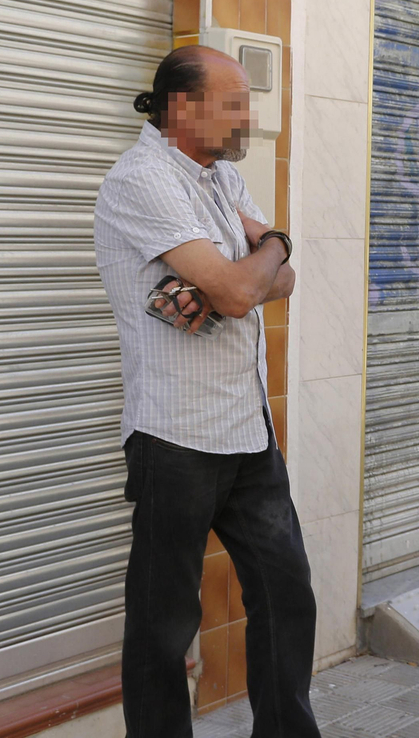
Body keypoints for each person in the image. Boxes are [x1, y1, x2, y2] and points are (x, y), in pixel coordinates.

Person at [93, 47, 315, 738]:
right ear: (182, 107)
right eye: (233, 102)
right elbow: (241, 287)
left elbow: (276, 281)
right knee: (163, 628)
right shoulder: (141, 180)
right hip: (175, 437)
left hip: (248, 433)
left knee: (287, 595)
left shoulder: (220, 179)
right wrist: (262, 257)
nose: (248, 115)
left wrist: (265, 250)